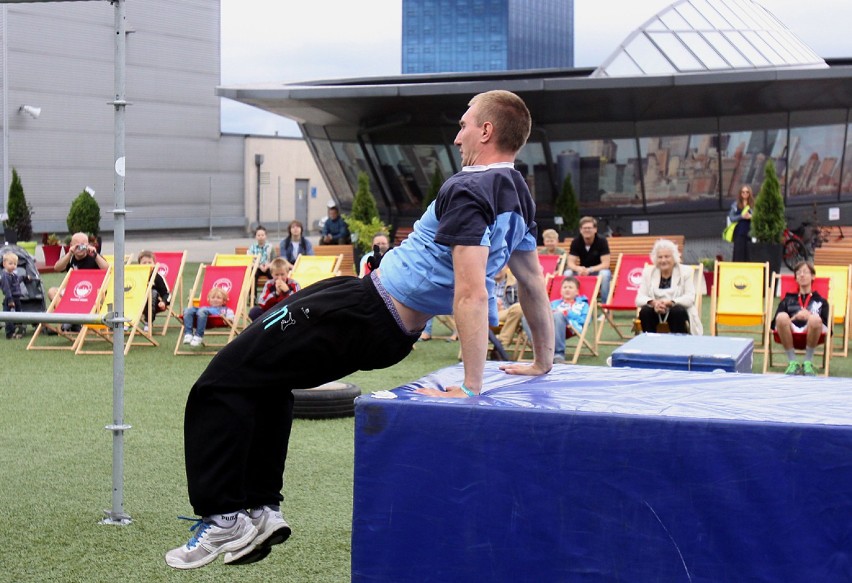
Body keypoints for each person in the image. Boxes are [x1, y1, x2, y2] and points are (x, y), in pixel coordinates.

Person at [164, 89, 555, 570]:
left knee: (217, 382)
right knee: (264, 378)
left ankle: (224, 518)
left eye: (464, 125)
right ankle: (260, 508)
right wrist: (542, 360)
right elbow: (534, 282)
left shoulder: (470, 188)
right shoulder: (517, 191)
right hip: (367, 308)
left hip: (365, 312)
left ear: (487, 131)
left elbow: (472, 292)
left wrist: (472, 387)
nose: (457, 136)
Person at [772, 261, 829, 376]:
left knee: (815, 319)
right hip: (791, 330)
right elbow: (774, 323)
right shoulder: (788, 299)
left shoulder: (820, 300)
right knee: (782, 317)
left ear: (813, 276)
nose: (802, 275)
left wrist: (810, 316)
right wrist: (794, 317)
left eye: (805, 272)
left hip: (812, 330)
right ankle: (793, 362)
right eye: (798, 273)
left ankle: (808, 362)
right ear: (796, 278)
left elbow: (827, 326)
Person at [635, 239, 702, 335]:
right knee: (645, 311)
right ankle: (650, 345)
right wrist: (654, 303)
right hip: (656, 311)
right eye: (660, 257)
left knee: (677, 311)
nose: (663, 260)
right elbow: (639, 298)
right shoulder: (648, 272)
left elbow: (690, 298)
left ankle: (677, 347)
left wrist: (671, 302)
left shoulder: (685, 272)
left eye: (667, 256)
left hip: (676, 310)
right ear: (655, 259)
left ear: (674, 257)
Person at [46, 231, 109, 303]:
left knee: (100, 294)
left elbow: (107, 269)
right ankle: (66, 311)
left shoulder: (94, 257)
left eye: (82, 245)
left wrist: (95, 255)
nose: (80, 248)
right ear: (71, 245)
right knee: (52, 291)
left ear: (88, 245)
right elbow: (57, 268)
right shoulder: (70, 258)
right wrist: (70, 253)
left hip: (90, 292)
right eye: (77, 245)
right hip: (73, 291)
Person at [566, 217, 611, 301]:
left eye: (589, 228)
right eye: (584, 228)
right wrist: (578, 268)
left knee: (605, 274)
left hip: (597, 271)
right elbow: (570, 263)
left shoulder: (602, 241)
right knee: (567, 273)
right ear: (580, 230)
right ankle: (567, 304)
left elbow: (605, 264)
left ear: (595, 229)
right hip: (582, 271)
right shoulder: (576, 242)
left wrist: (590, 270)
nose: (587, 230)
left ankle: (606, 306)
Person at [546, 276, 589, 364]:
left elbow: (584, 321)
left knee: (558, 315)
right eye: (565, 287)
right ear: (561, 291)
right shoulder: (554, 304)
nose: (567, 289)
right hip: (549, 326)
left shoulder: (583, 305)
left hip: (570, 327)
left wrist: (568, 313)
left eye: (570, 287)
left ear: (577, 292)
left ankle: (559, 354)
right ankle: (542, 351)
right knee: (526, 318)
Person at [137, 250, 171, 331]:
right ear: (139, 264)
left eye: (149, 262)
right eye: (144, 263)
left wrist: (164, 301)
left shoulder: (157, 277)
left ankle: (148, 322)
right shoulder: (136, 275)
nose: (147, 265)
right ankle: (128, 321)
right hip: (137, 302)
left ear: (154, 264)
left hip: (155, 304)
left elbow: (167, 293)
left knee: (152, 292)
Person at [1, 251, 26, 339]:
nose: (13, 266)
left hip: (16, 298)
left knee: (19, 314)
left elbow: (17, 281)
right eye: (10, 263)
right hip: (10, 299)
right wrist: (10, 299)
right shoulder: (5, 276)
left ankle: (19, 328)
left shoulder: (13, 275)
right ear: (4, 264)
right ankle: (10, 333)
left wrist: (24, 278)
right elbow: (7, 289)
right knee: (9, 316)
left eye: (15, 264)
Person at [729, 185, 754, 262]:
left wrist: (751, 216)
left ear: (750, 193)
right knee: (738, 255)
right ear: (740, 193)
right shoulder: (735, 204)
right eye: (743, 192)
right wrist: (742, 216)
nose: (745, 194)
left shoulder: (753, 205)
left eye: (747, 192)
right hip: (739, 233)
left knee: (748, 255)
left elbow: (757, 217)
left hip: (749, 234)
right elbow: (732, 218)